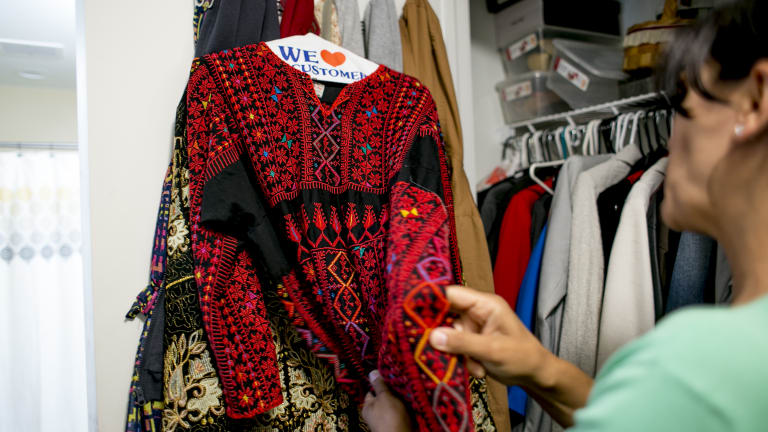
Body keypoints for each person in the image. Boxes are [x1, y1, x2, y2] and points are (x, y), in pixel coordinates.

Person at [361, 1, 768, 430]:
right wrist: (540, 368)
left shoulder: (694, 370)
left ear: (754, 100)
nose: (672, 130)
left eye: (683, 102)